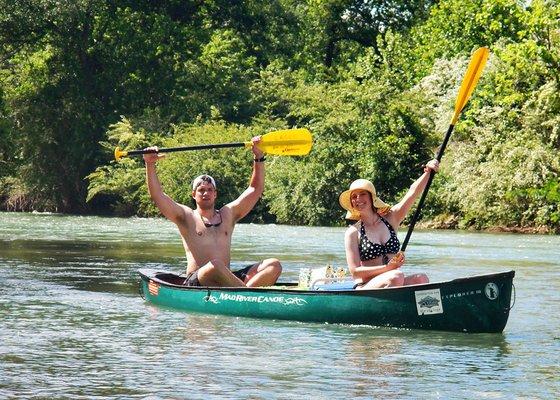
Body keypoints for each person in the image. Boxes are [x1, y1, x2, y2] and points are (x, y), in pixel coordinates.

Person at [143, 136, 282, 287]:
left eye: (210, 190)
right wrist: (150, 164)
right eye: (201, 190)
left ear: (215, 194)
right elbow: (157, 196)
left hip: (227, 279)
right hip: (198, 280)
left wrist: (259, 156)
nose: (205, 193)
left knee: (273, 265)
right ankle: (244, 293)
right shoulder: (186, 216)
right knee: (215, 265)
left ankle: (244, 293)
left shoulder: (228, 214)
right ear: (193, 195)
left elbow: (255, 189)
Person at [339, 160, 440, 289]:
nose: (358, 199)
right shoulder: (353, 232)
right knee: (396, 276)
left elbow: (412, 193)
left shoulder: (391, 218)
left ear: (371, 198)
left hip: (394, 280)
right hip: (366, 285)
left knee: (421, 278)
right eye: (354, 196)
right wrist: (387, 268)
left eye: (362, 194)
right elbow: (355, 272)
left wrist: (428, 172)